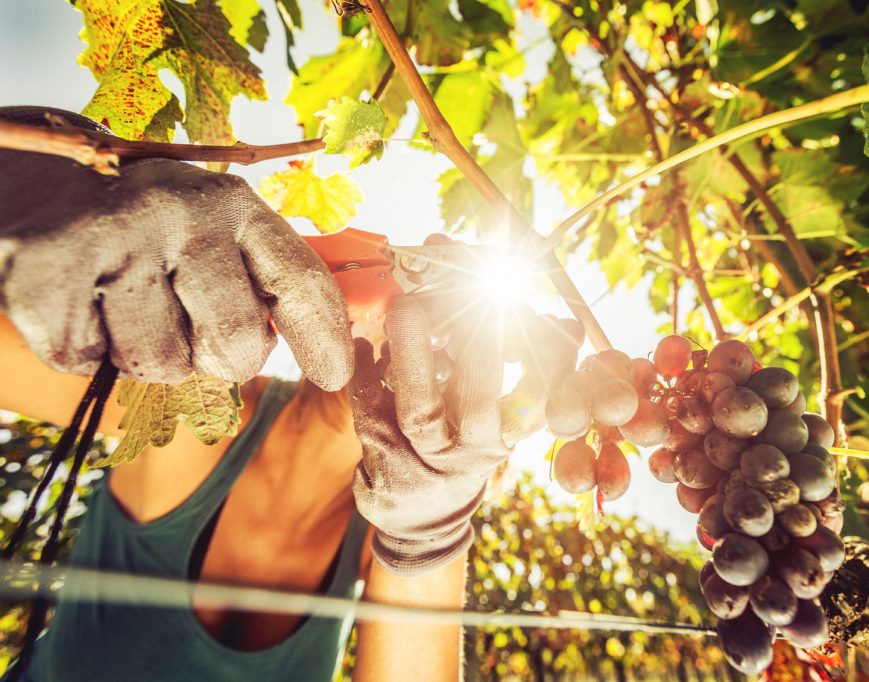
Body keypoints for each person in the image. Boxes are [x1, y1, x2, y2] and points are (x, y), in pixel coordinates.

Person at [0, 108, 581, 681]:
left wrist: (431, 538)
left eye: (456, 319)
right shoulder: (194, 398)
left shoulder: (393, 533)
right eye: (419, 283)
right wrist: (23, 182)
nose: (424, 329)